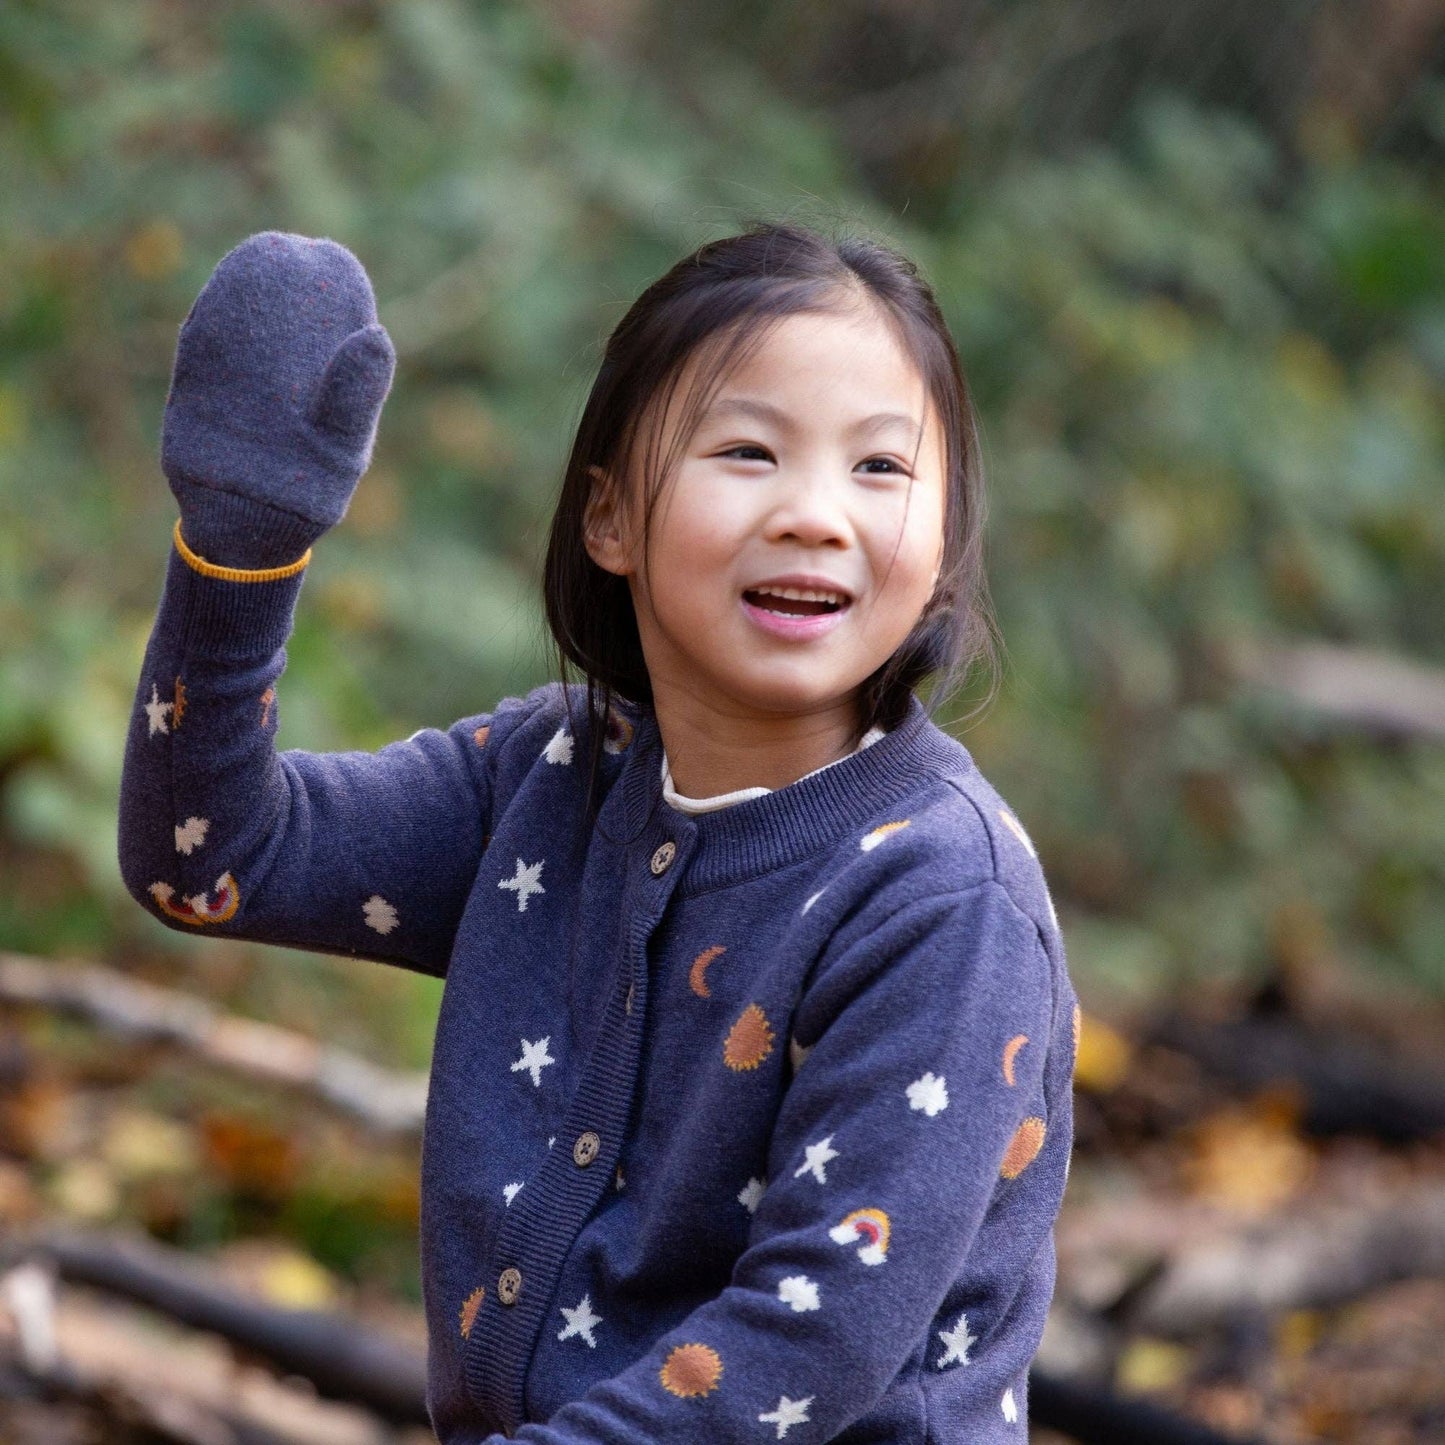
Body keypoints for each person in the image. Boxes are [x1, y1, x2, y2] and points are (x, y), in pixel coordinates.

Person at [118, 222, 1079, 1443]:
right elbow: (209, 857)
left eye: (880, 469)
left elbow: (804, 1338)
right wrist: (238, 554)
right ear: (610, 519)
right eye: (746, 450)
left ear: (941, 544)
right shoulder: (553, 776)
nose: (815, 514)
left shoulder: (940, 898)